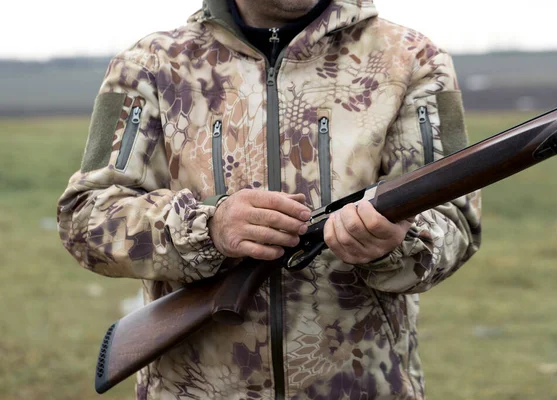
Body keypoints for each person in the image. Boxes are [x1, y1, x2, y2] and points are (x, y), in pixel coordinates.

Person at [57, 0, 482, 398]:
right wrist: (208, 228)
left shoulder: (413, 58)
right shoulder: (148, 65)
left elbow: (455, 220)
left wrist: (395, 244)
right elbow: (86, 215)